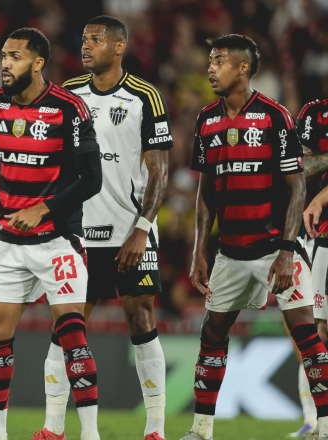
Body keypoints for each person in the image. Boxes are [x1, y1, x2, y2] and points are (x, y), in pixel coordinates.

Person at [0, 28, 103, 440]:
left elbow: (92, 179)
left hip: (58, 240)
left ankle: (90, 433)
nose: (4, 64)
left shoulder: (70, 108)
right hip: (9, 241)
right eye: (3, 55)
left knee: (72, 332)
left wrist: (45, 208)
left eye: (14, 56)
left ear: (37, 63)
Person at [182, 34, 328, 440]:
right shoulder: (206, 119)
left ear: (243, 68)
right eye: (210, 60)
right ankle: (201, 429)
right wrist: (199, 251)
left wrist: (286, 250)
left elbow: (297, 187)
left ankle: (326, 427)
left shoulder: (273, 116)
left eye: (219, 61)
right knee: (211, 334)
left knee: (307, 333)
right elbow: (205, 191)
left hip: (274, 249)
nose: (211, 67)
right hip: (229, 251)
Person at [58, 16, 172, 440]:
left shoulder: (145, 97)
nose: (86, 46)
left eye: (96, 39)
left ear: (119, 46)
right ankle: (56, 428)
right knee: (67, 324)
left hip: (129, 231)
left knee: (141, 319)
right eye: (84, 38)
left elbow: (159, 169)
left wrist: (142, 227)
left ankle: (155, 429)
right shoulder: (68, 94)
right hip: (79, 232)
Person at [295, 97, 328, 438]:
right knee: (318, 331)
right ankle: (315, 420)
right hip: (322, 235)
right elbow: (300, 164)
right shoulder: (314, 113)